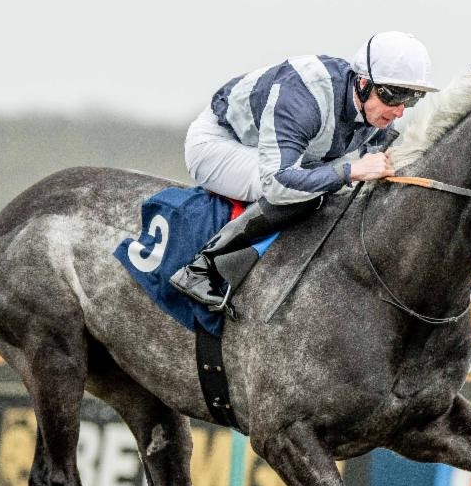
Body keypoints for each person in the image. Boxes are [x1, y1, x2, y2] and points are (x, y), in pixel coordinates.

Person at [169, 31, 437, 312]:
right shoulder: (304, 96)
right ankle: (202, 267)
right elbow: (278, 183)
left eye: (411, 99)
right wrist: (350, 171)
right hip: (219, 144)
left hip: (274, 152)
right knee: (310, 192)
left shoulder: (376, 113)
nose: (400, 111)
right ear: (362, 82)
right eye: (395, 97)